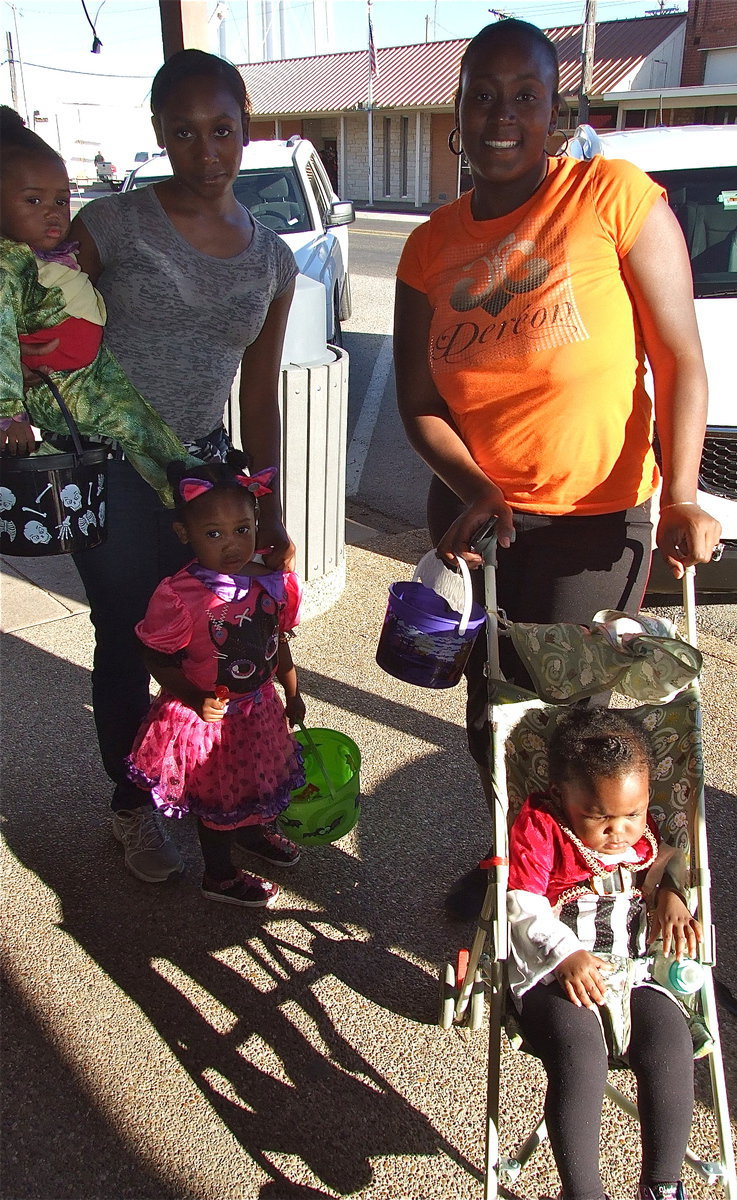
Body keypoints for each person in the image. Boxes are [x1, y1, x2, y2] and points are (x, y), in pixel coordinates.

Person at [392, 18, 722, 918]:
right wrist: (476, 487)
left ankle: (594, 885)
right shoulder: (428, 249)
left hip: (591, 526)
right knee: (492, 719)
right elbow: (420, 404)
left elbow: (681, 356)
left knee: (575, 725)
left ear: (555, 110)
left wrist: (684, 491)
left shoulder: (611, 198)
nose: (502, 115)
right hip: (475, 518)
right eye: (482, 95)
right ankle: (520, 868)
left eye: (524, 96)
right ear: (457, 111)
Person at [19, 50, 298, 884]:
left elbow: (259, 396)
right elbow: (39, 315)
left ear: (246, 126)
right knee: (131, 637)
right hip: (109, 468)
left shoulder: (274, 259)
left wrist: (267, 504)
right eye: (184, 131)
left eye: (221, 128)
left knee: (222, 636)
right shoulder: (113, 222)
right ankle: (133, 806)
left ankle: (227, 800)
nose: (206, 150)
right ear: (159, 135)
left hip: (206, 477)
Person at [507, 706, 700, 1200]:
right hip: (558, 973)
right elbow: (521, 902)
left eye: (632, 814)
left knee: (670, 1043)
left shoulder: (641, 830)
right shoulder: (543, 826)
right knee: (580, 1056)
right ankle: (583, 1190)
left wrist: (673, 897)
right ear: (560, 797)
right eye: (602, 818)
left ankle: (662, 1183)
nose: (621, 831)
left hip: (633, 969)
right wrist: (564, 953)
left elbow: (665, 861)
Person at [124, 456, 305, 907]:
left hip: (259, 707)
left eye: (242, 530)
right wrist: (195, 696)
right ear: (185, 535)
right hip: (208, 720)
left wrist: (292, 690)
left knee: (256, 780)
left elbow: (275, 640)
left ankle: (252, 833)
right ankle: (220, 874)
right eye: (213, 534)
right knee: (219, 797)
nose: (231, 545)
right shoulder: (179, 597)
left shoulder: (270, 582)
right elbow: (156, 656)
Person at [0, 105, 196, 503]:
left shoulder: (48, 252)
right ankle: (180, 485)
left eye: (60, 199)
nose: (52, 213)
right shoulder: (9, 264)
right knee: (129, 424)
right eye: (32, 201)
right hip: (62, 382)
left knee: (141, 423)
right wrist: (9, 413)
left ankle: (184, 480)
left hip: (89, 369)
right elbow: (1, 335)